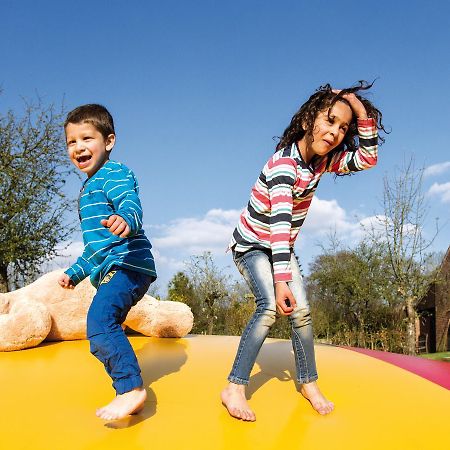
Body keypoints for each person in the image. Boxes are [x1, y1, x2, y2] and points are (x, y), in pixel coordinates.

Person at [221, 81, 385, 421]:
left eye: (343, 127)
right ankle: (234, 387)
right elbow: (279, 228)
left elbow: (368, 158)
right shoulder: (284, 166)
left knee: (303, 312)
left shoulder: (322, 163)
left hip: (280, 247)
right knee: (268, 307)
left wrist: (355, 105)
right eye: (329, 121)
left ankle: (308, 382)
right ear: (309, 120)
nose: (335, 132)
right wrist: (282, 282)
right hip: (252, 244)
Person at [58, 104, 157, 421]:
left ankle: (130, 389)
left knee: (99, 323)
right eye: (71, 142)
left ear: (109, 141)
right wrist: (75, 273)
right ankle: (131, 391)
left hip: (128, 264)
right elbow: (94, 250)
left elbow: (130, 201)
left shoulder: (113, 174)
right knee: (102, 326)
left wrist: (127, 218)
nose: (78, 147)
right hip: (114, 265)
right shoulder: (88, 188)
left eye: (87, 138)